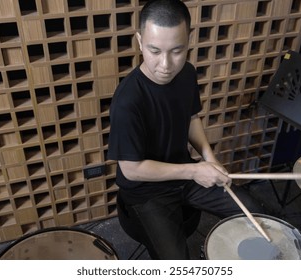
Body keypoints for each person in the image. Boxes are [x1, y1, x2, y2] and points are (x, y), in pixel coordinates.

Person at [108, 0, 262, 259]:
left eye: (177, 51)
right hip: (146, 193)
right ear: (139, 41)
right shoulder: (128, 100)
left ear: (189, 39)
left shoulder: (187, 73)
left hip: (184, 175)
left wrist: (210, 159)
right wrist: (194, 170)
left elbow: (190, 118)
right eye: (154, 51)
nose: (166, 65)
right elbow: (132, 170)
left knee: (255, 215)